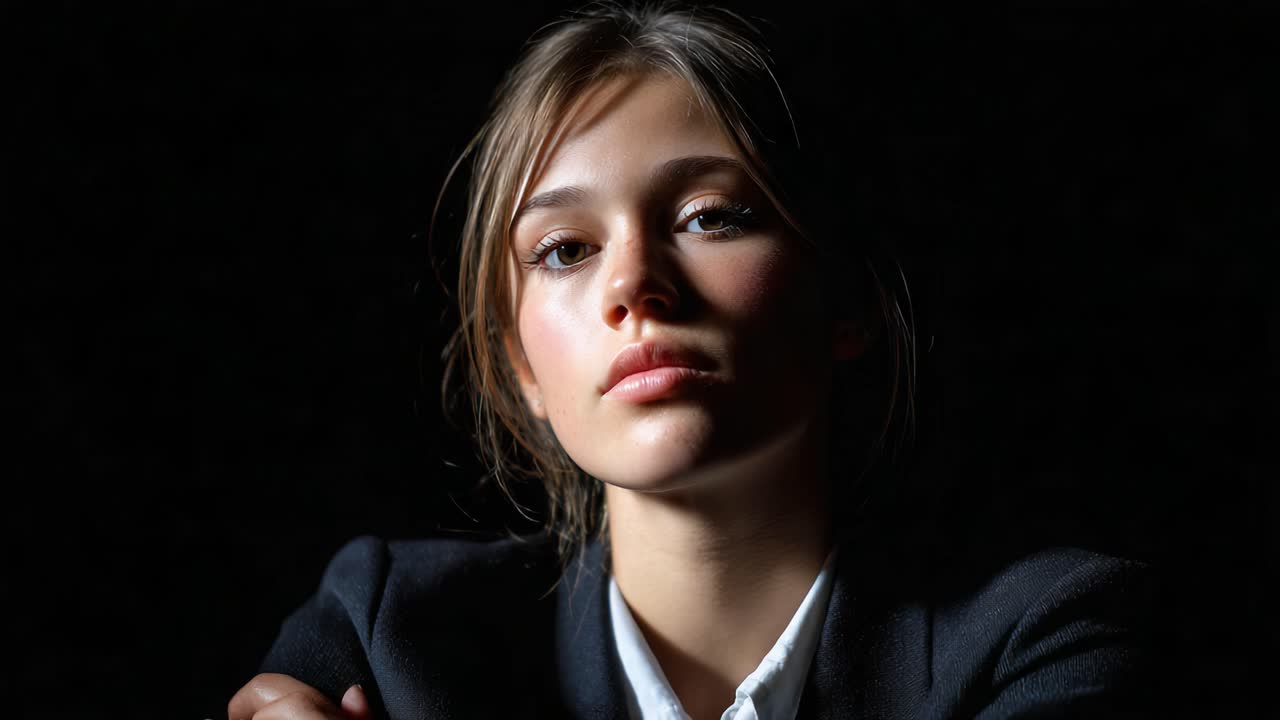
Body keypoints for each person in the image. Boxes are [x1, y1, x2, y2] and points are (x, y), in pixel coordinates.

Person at [229, 2, 1151, 718]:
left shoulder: (1050, 633)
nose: (635, 285)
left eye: (710, 216)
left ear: (851, 300)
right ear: (520, 368)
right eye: (565, 249)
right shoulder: (388, 630)